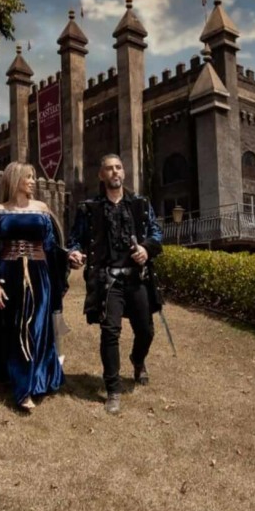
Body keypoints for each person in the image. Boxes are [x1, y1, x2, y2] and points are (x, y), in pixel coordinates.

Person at [67, 154, 163, 415]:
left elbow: (157, 233)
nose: (114, 172)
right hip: (108, 281)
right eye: (108, 168)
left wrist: (146, 249)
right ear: (101, 175)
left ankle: (137, 359)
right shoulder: (89, 209)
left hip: (137, 278)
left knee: (146, 330)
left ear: (124, 173)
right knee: (110, 332)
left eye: (118, 167)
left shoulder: (141, 204)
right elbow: (74, 240)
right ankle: (113, 389)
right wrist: (73, 253)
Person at [0, 162, 68, 411]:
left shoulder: (42, 209)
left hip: (39, 275)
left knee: (35, 327)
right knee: (15, 328)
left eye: (33, 177)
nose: (32, 181)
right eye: (28, 177)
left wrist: (67, 258)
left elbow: (50, 246)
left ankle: (29, 384)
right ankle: (22, 384)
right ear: (15, 180)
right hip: (9, 274)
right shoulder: (0, 210)